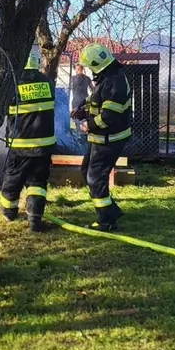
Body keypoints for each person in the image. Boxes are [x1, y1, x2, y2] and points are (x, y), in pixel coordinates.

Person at [71, 43, 131, 231]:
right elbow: (95, 100)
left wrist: (88, 124)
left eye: (89, 65)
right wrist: (82, 111)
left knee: (96, 178)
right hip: (100, 139)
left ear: (97, 64)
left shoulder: (116, 82)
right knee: (86, 171)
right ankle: (111, 211)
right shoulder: (107, 78)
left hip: (109, 140)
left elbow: (109, 116)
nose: (88, 69)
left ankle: (106, 220)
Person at [0, 47, 57, 232]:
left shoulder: (14, 83)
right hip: (44, 146)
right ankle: (34, 220)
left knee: (13, 179)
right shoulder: (47, 82)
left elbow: (3, 108)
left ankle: (9, 212)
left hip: (21, 145)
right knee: (37, 183)